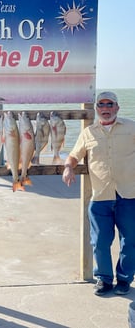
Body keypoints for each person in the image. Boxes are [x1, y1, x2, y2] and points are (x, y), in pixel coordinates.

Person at [62, 91, 135, 296]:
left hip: (129, 195)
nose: (105, 108)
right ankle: (103, 279)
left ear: (117, 107)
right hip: (101, 196)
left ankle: (124, 279)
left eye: (109, 104)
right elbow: (75, 154)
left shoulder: (131, 127)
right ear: (96, 109)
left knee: (130, 240)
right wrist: (68, 167)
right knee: (100, 241)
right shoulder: (88, 132)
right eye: (101, 105)